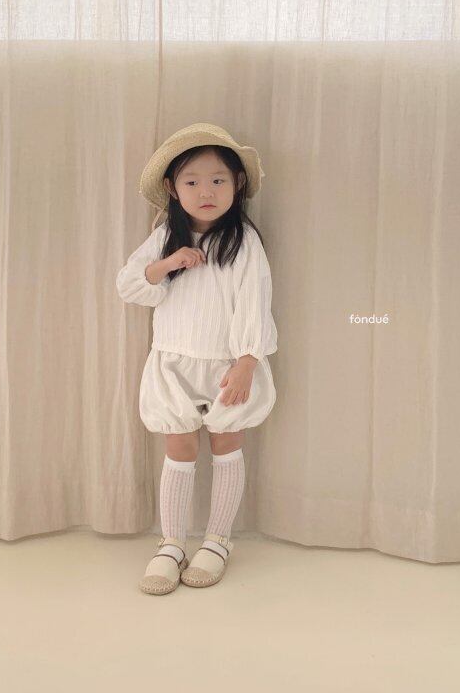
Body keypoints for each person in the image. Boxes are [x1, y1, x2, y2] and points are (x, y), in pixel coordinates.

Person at [115, 123, 277, 595]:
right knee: (180, 448)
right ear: (172, 188)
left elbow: (254, 301)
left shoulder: (243, 242)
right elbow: (130, 285)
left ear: (237, 184)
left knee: (226, 444)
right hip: (173, 363)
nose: (206, 191)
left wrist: (247, 361)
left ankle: (217, 540)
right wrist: (169, 263)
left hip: (228, 365)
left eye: (218, 180)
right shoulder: (166, 234)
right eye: (192, 181)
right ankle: (171, 544)